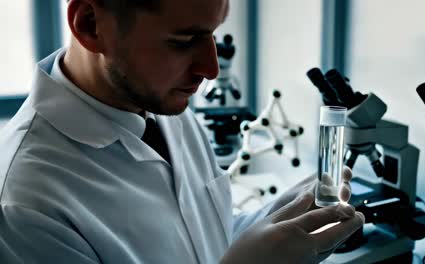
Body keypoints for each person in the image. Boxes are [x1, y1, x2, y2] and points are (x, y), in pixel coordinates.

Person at [0, 0, 364, 263]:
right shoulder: (27, 202)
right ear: (91, 24)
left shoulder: (166, 105)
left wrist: (276, 220)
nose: (210, 69)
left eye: (213, 35)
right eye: (183, 41)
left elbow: (199, 241)